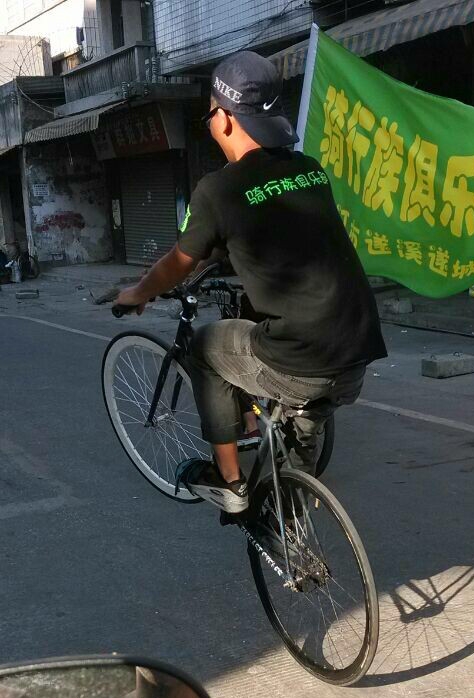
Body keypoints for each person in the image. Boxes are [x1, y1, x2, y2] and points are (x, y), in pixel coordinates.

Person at [114, 50, 387, 514]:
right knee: (282, 379)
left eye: (209, 115)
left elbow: (179, 262)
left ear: (223, 119)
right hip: (358, 350)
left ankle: (230, 484)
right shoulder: (308, 169)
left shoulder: (217, 190)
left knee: (204, 348)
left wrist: (139, 292)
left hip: (301, 360)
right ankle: (290, 522)